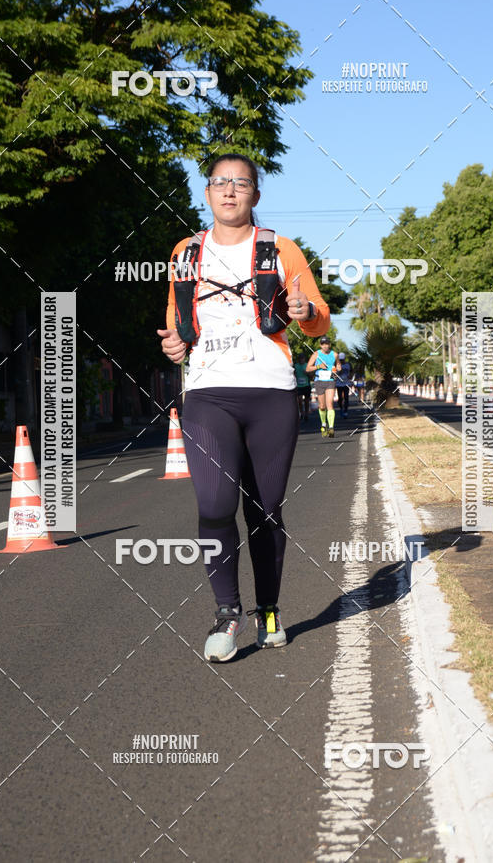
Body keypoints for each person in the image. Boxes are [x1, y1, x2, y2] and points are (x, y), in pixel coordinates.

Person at [157, 153, 330, 663]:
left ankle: (269, 609)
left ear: (255, 194)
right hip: (208, 393)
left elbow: (317, 318)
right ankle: (227, 612)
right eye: (220, 183)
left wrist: (305, 312)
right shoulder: (185, 252)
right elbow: (176, 318)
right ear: (207, 193)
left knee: (264, 508)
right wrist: (173, 345)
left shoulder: (280, 249)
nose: (229, 191)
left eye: (241, 183)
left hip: (271, 391)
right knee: (213, 506)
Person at [306, 336, 340, 437]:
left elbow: (338, 365)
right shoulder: (316, 354)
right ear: (321, 345)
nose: (325, 346)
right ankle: (324, 424)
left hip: (330, 380)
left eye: (327, 344)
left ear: (329, 344)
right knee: (322, 406)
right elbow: (308, 368)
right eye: (323, 344)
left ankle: (331, 428)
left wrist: (337, 368)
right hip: (319, 381)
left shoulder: (334, 354)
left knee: (330, 404)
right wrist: (318, 366)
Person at [294, 352, 311, 421]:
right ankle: (301, 413)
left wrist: (307, 373)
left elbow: (311, 375)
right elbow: (293, 374)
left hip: (306, 385)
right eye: (300, 358)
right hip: (299, 386)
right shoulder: (296, 366)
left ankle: (306, 413)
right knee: (299, 401)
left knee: (306, 401)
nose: (301, 360)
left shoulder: (307, 365)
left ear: (304, 359)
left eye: (302, 358)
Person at [335, 351, 352, 417]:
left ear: (344, 359)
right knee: (340, 398)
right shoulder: (336, 365)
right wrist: (339, 371)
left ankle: (345, 411)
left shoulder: (348, 364)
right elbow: (334, 374)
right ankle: (341, 408)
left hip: (346, 383)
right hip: (339, 384)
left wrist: (350, 376)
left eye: (342, 360)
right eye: (340, 360)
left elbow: (351, 372)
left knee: (346, 397)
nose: (341, 361)